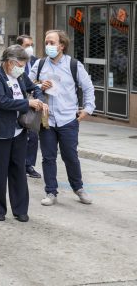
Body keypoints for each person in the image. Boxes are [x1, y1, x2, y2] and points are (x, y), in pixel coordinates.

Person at [30, 30, 96, 206]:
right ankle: (51, 192)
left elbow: (88, 88)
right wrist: (39, 86)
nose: (48, 46)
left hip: (68, 119)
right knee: (48, 157)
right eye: (46, 42)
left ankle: (78, 188)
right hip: (46, 119)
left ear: (62, 45)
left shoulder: (74, 65)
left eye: (52, 43)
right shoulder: (40, 64)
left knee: (70, 156)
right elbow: (27, 85)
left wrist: (88, 109)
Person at [0, 45, 47, 223]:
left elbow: (34, 88)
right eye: (20, 64)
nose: (22, 68)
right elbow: (3, 102)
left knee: (18, 170)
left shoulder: (19, 75)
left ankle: (20, 210)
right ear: (9, 63)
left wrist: (39, 100)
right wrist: (28, 104)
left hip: (19, 131)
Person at [16, 35, 41, 179]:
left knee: (33, 134)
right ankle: (16, 164)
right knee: (18, 135)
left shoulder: (36, 61)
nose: (30, 48)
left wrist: (39, 87)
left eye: (31, 44)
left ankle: (28, 165)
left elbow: (35, 81)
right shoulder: (12, 62)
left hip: (30, 103)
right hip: (16, 103)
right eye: (27, 45)